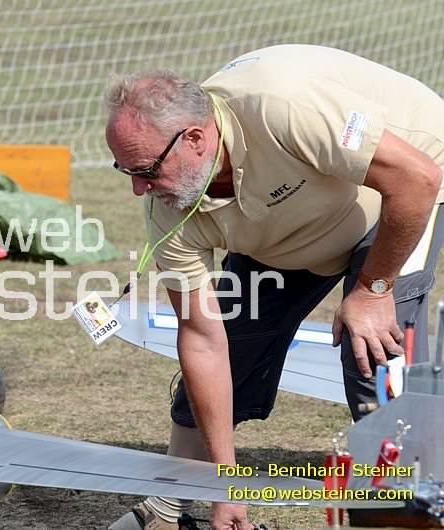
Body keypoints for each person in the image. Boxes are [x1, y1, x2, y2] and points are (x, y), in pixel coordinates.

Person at [104, 44, 444, 530]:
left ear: (195, 139)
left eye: (146, 170)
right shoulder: (168, 211)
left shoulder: (281, 106)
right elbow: (202, 341)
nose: (139, 189)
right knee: (232, 345)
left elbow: (417, 179)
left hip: (400, 192)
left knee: (372, 352)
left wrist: (373, 290)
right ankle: (170, 503)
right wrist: (225, 485)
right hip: (290, 229)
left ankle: (413, 509)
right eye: (126, 171)